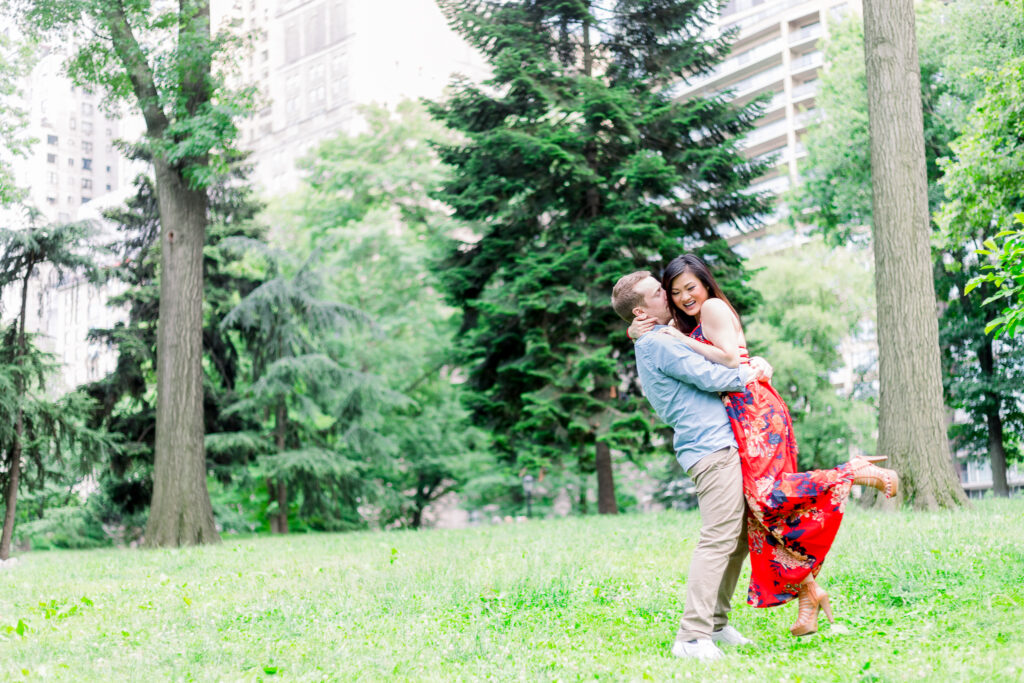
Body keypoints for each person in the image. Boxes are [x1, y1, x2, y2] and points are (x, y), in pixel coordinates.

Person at [627, 254, 898, 637]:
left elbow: (722, 363)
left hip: (752, 412)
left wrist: (748, 366)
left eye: (689, 287)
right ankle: (808, 593)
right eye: (671, 292)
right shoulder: (674, 329)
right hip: (740, 415)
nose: (682, 297)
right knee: (759, 514)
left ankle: (851, 471)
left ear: (705, 282)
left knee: (767, 497)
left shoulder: (713, 308)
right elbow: (676, 343)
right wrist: (642, 332)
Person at [611, 270, 773, 661]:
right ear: (639, 310)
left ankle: (715, 624)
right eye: (657, 293)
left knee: (736, 539)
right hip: (710, 450)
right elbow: (711, 376)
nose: (667, 295)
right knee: (719, 538)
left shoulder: (656, 336)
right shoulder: (657, 343)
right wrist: (754, 368)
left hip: (719, 443)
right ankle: (690, 636)